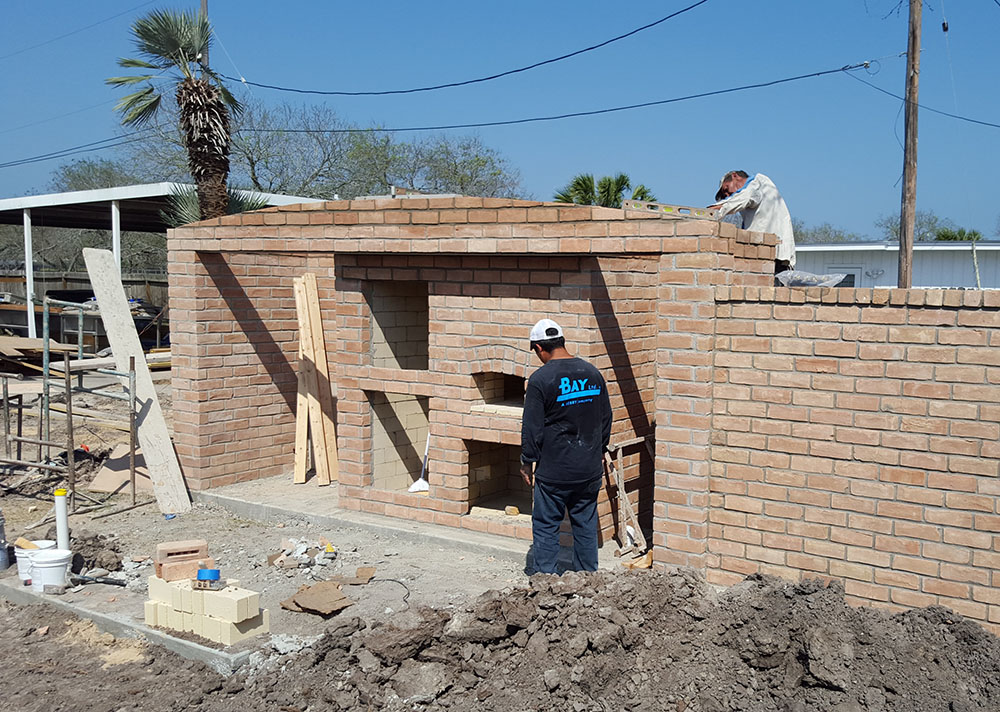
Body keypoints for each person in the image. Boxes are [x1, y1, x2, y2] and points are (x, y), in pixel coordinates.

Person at [520, 318, 612, 574]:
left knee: (547, 524)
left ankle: (546, 583)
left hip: (555, 472)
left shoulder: (540, 380)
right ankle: (588, 581)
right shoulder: (592, 373)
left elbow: (532, 429)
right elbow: (606, 418)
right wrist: (599, 451)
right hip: (589, 469)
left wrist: (527, 462)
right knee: (584, 523)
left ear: (539, 348)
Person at [712, 170, 796, 275]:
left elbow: (741, 199)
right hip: (764, 254)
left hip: (775, 256)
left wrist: (710, 213)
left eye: (726, 189)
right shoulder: (751, 192)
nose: (728, 194)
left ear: (735, 176)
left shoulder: (757, 184)